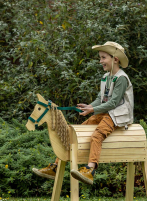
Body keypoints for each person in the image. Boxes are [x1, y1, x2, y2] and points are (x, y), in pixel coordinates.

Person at [32, 41, 134, 185]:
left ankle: (90, 170)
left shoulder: (121, 78)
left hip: (118, 115)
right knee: (76, 131)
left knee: (97, 135)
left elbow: (114, 103)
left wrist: (92, 110)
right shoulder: (106, 77)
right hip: (106, 113)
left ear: (115, 59)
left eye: (103, 57)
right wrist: (89, 107)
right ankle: (55, 167)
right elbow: (101, 99)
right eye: (100, 57)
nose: (100, 61)